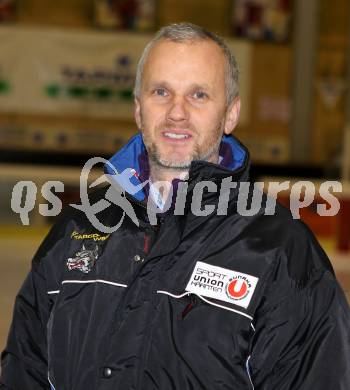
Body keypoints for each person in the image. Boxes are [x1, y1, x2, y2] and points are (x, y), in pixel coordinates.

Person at [1, 22, 349, 390]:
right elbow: (24, 373)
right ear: (138, 109)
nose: (177, 113)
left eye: (199, 95)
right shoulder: (75, 231)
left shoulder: (282, 252)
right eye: (161, 92)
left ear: (230, 113)